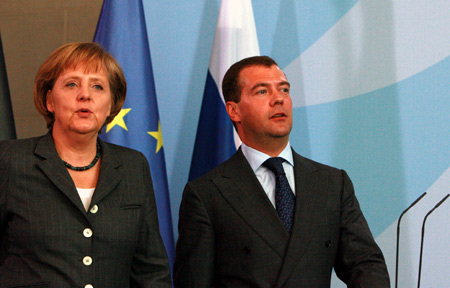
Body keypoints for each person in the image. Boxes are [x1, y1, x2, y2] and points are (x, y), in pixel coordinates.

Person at [174, 56, 390, 287]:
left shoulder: (332, 183)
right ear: (234, 111)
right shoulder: (206, 194)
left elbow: (365, 264)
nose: (279, 99)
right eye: (262, 92)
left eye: (284, 90)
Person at [0, 42, 172, 287]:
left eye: (98, 86)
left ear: (111, 104)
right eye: (72, 84)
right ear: (50, 100)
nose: (85, 95)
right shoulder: (10, 160)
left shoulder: (133, 166)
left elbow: (151, 270)